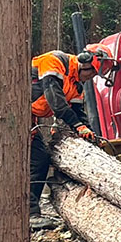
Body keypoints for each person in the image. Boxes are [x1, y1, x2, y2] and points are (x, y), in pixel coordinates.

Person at [30, 50, 95, 217]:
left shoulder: (76, 85)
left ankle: (30, 211)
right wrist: (78, 126)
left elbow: (77, 112)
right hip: (14, 110)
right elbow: (56, 101)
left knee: (40, 160)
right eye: (91, 73)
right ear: (84, 64)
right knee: (37, 160)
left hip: (31, 117)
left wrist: (89, 135)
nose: (90, 78)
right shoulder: (55, 61)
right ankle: (29, 213)